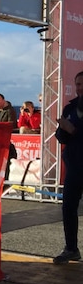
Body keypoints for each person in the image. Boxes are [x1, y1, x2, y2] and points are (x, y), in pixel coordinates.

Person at [54, 71, 83, 264]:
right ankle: (71, 248)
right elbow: (61, 136)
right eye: (77, 84)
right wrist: (63, 130)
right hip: (74, 166)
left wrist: (73, 129)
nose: (79, 88)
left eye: (82, 84)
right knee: (68, 208)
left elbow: (73, 131)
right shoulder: (70, 107)